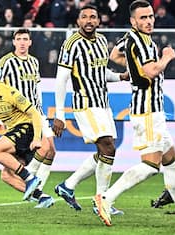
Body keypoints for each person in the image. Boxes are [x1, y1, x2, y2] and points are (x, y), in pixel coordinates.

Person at [92, 0, 175, 228]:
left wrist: (133, 68)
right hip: (147, 110)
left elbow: (115, 56)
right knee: (150, 165)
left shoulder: (130, 38)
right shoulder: (144, 43)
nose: (148, 21)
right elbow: (150, 72)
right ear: (133, 21)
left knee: (171, 161)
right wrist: (166, 56)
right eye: (143, 18)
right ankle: (106, 198)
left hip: (151, 109)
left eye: (150, 16)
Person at [52, 4, 128, 214]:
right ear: (78, 21)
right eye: (84, 17)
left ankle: (68, 186)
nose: (88, 21)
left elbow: (100, 72)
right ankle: (102, 201)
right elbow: (61, 79)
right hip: (85, 103)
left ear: (98, 20)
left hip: (103, 103)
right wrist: (59, 115)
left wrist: (120, 76)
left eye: (92, 17)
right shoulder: (71, 44)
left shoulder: (102, 41)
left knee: (104, 151)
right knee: (109, 147)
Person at [0, 28, 56, 208]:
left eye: (25, 39)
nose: (22, 42)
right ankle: (35, 187)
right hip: (18, 118)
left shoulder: (34, 62)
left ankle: (36, 188)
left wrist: (42, 112)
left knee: (50, 150)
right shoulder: (6, 62)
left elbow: (37, 88)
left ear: (30, 42)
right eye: (19, 39)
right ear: (14, 42)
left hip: (36, 114)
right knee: (9, 171)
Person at [0, 60, 42, 202]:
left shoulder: (9, 92)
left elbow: (34, 113)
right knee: (6, 175)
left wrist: (37, 138)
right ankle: (42, 197)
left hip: (26, 128)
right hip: (16, 134)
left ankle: (29, 178)